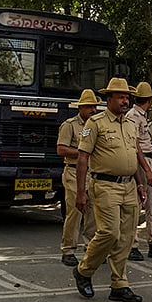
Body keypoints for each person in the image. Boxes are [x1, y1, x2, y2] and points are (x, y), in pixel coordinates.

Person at [72, 78, 149, 302]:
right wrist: (80, 192)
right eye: (120, 97)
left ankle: (119, 284)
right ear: (109, 99)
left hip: (129, 186)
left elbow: (133, 156)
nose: (125, 101)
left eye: (127, 97)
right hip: (105, 185)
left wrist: (140, 184)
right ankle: (84, 270)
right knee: (110, 232)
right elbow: (83, 158)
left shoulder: (130, 124)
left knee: (126, 237)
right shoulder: (95, 123)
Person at [56, 89, 99, 267]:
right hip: (74, 172)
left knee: (93, 213)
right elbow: (61, 149)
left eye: (94, 106)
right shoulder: (70, 125)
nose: (93, 110)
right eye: (89, 106)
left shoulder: (97, 125)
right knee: (74, 212)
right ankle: (68, 249)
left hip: (92, 172)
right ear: (80, 108)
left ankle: (91, 249)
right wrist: (82, 153)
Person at [128, 81, 152, 259]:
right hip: (142, 161)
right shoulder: (133, 116)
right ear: (149, 100)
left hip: (149, 159)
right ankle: (132, 244)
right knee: (137, 204)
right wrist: (146, 169)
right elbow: (135, 145)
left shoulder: (141, 116)